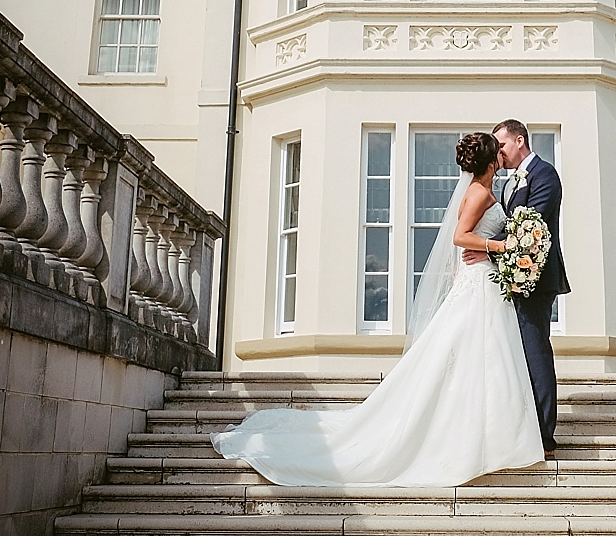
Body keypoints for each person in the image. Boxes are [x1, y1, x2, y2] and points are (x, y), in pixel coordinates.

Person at [210, 132, 544, 486]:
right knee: (477, 357)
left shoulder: (486, 191)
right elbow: (460, 236)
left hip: (484, 281)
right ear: (492, 162)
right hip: (478, 282)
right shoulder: (478, 193)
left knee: (484, 361)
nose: (504, 158)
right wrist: (501, 245)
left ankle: (490, 437)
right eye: (500, 153)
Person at [464, 119, 569, 458]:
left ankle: (544, 434)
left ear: (519, 140)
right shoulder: (507, 183)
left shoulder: (544, 175)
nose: (499, 152)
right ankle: (521, 426)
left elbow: (531, 226)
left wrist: (485, 246)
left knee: (535, 350)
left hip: (536, 279)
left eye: (503, 145)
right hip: (511, 276)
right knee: (515, 354)